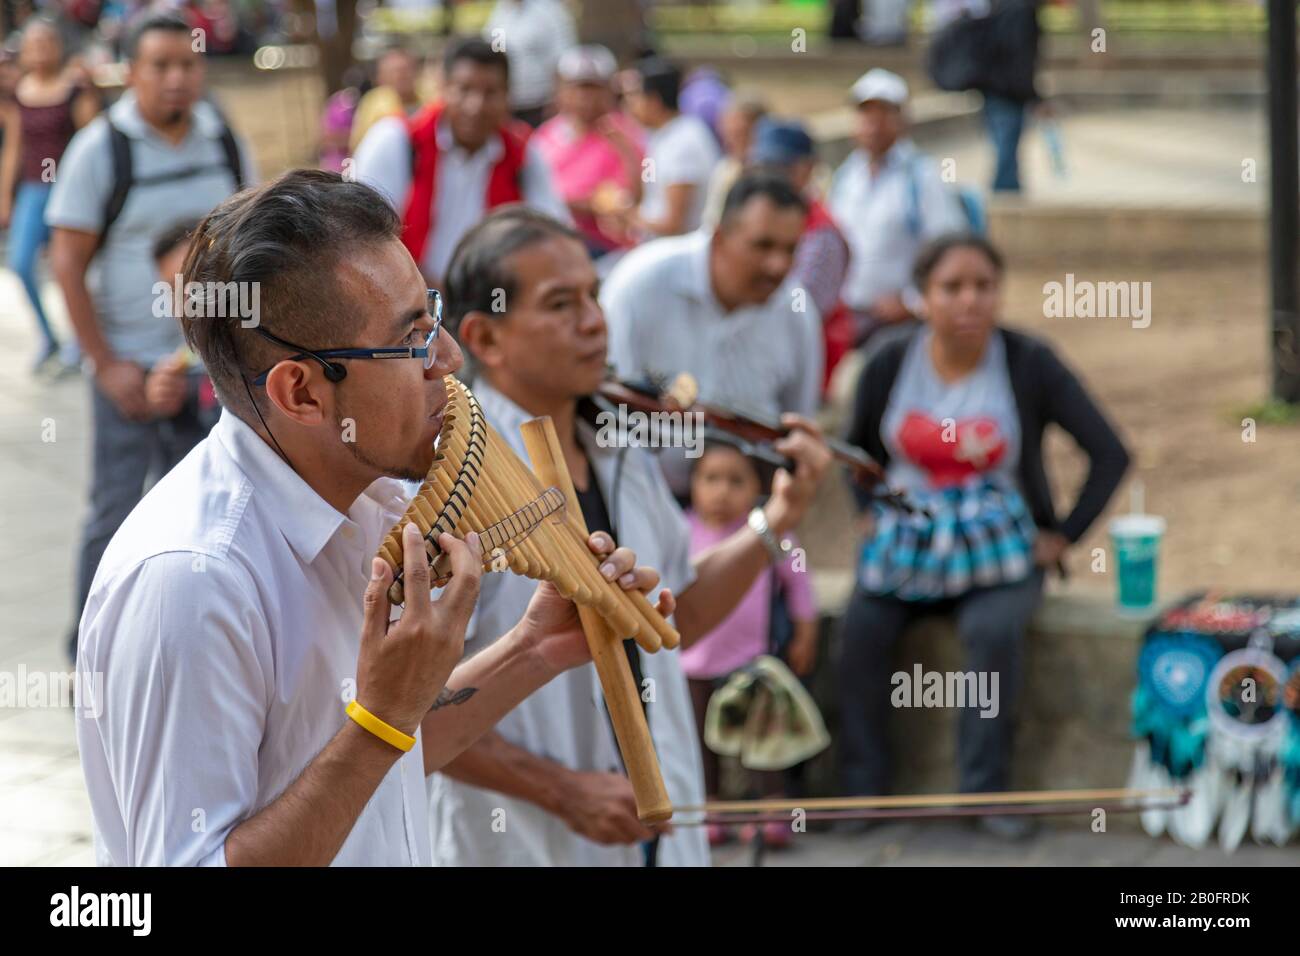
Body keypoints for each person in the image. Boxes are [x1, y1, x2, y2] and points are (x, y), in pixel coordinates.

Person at [76, 170, 673, 866]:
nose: (449, 360)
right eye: (412, 340)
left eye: (435, 317)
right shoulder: (191, 581)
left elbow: (375, 773)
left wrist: (533, 649)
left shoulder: (373, 501)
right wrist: (381, 719)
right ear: (300, 391)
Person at [429, 205, 832, 866]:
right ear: (486, 337)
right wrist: (562, 791)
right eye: (561, 304)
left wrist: (774, 522)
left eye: (592, 294)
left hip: (656, 831)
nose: (595, 320)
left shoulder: (620, 450)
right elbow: (406, 707)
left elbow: (680, 620)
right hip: (524, 841)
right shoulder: (453, 481)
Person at [839, 233, 1130, 838]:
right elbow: (852, 449)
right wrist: (866, 506)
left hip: (1001, 557)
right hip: (906, 550)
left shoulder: (1029, 362)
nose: (969, 300)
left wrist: (1062, 536)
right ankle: (864, 791)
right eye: (952, 287)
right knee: (861, 631)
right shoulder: (891, 361)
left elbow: (1110, 453)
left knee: (992, 632)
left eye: (983, 286)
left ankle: (986, 792)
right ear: (922, 297)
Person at [47, 12, 254, 662]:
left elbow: (247, 241)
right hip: (129, 369)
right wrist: (105, 364)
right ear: (131, 73)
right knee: (115, 513)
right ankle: (93, 654)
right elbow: (67, 264)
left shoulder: (220, 138)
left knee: (210, 513)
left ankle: (182, 650)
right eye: (159, 66)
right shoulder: (100, 150)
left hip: (209, 369)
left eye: (187, 64)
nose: (176, 79)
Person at [603, 171, 823, 498]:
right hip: (640, 498)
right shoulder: (640, 285)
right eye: (763, 245)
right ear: (719, 237)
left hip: (747, 514)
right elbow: (605, 406)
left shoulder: (797, 312)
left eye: (790, 249)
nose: (777, 265)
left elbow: (796, 426)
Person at [681, 440, 818, 849]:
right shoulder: (681, 529)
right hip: (689, 662)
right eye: (711, 479)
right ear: (692, 484)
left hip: (748, 659)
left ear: (758, 487)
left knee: (760, 738)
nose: (722, 491)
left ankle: (772, 812)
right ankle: (710, 811)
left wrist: (806, 629)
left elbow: (799, 576)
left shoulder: (767, 532)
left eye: (736, 481)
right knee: (701, 743)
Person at [353, 36, 569, 289]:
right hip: (405, 303)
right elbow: (363, 237)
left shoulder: (524, 154)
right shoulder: (396, 139)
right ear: (442, 88)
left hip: (490, 308)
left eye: (490, 93)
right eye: (464, 89)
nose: (475, 106)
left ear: (508, 97)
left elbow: (555, 235)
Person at [829, 69, 965, 346]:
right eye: (866, 114)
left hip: (898, 326)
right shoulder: (846, 176)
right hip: (848, 319)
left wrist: (911, 302)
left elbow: (949, 250)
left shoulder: (922, 178)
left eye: (884, 114)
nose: (873, 124)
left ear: (903, 120)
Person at [0, 17, 98, 374]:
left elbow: (92, 142)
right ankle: (48, 336)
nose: (40, 50)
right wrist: (5, 197)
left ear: (57, 47)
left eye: (46, 43)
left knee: (68, 268)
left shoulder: (74, 88)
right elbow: (14, 147)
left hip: (69, 191)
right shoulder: (19, 93)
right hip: (32, 189)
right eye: (33, 44)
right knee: (22, 264)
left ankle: (79, 341)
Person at [749, 118, 853, 397]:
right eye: (763, 167)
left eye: (780, 168)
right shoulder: (762, 219)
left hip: (802, 377)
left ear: (807, 169)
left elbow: (797, 316)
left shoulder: (822, 237)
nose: (769, 177)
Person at [531, 44, 643, 268]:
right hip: (548, 244)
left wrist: (569, 203)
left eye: (594, 88)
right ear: (561, 91)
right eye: (578, 88)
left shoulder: (624, 136)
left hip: (605, 251)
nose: (585, 97)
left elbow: (624, 200)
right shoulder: (545, 136)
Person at [621, 56, 720, 239]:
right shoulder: (658, 135)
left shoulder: (683, 143)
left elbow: (674, 224)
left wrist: (626, 215)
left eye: (633, 96)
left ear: (653, 100)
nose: (628, 106)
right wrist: (625, 150)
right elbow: (649, 190)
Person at [483, 0, 576, 127]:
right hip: (510, 106)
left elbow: (563, 61)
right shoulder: (500, 13)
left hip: (541, 105)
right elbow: (496, 56)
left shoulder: (550, 11)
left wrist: (558, 99)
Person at [700, 91, 765, 229]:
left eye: (739, 133)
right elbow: (710, 222)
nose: (731, 141)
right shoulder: (724, 169)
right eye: (726, 133)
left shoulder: (772, 173)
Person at [347, 46, 423, 153]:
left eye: (406, 70)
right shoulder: (373, 102)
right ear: (382, 76)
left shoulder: (427, 102)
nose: (402, 76)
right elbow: (358, 143)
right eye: (396, 71)